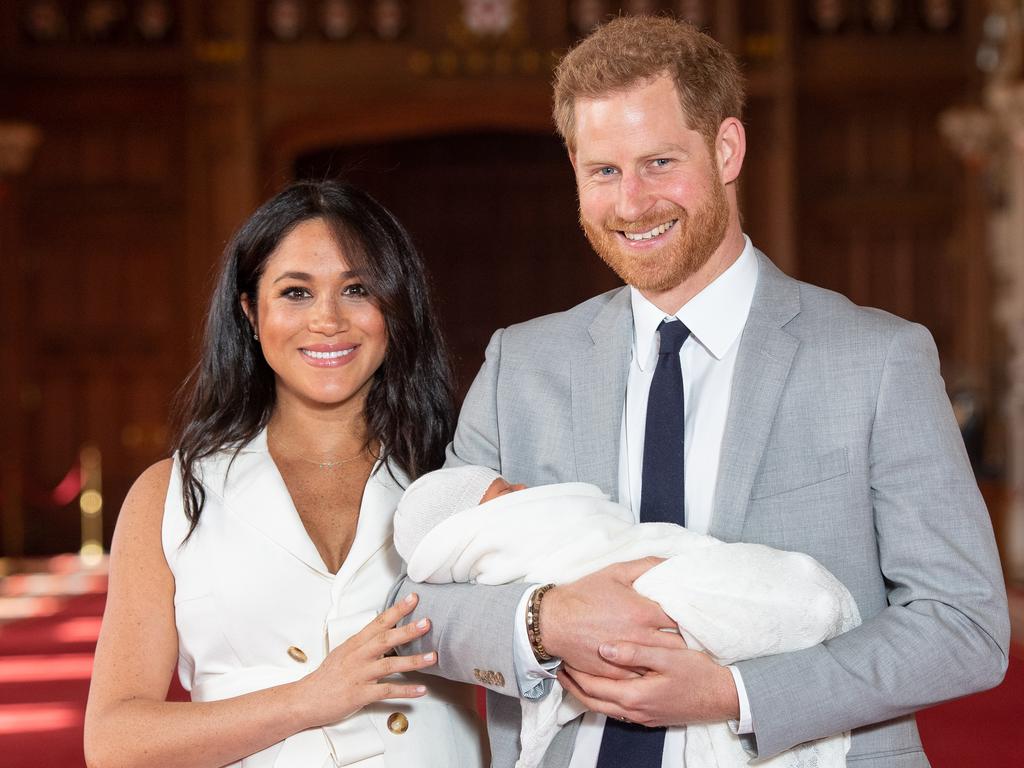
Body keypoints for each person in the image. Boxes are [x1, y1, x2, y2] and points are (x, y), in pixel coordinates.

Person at [392, 15, 1011, 768]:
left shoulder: (877, 360)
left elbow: (965, 626)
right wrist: (543, 622)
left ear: (726, 149)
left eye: (658, 162)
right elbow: (423, 607)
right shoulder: (522, 365)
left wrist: (735, 693)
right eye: (603, 171)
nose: (630, 203)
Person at [84, 180, 487, 768]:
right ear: (250, 312)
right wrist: (308, 700)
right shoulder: (171, 494)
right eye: (296, 292)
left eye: (357, 290)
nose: (327, 320)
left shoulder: (456, 474)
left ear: (395, 309)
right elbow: (115, 742)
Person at [395, 465, 860, 768]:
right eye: (506, 493)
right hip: (584, 730)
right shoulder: (509, 364)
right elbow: (412, 611)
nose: (523, 490)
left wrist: (732, 694)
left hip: (683, 587)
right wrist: (547, 620)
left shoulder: (883, 351)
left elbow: (933, 617)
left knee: (763, 593)